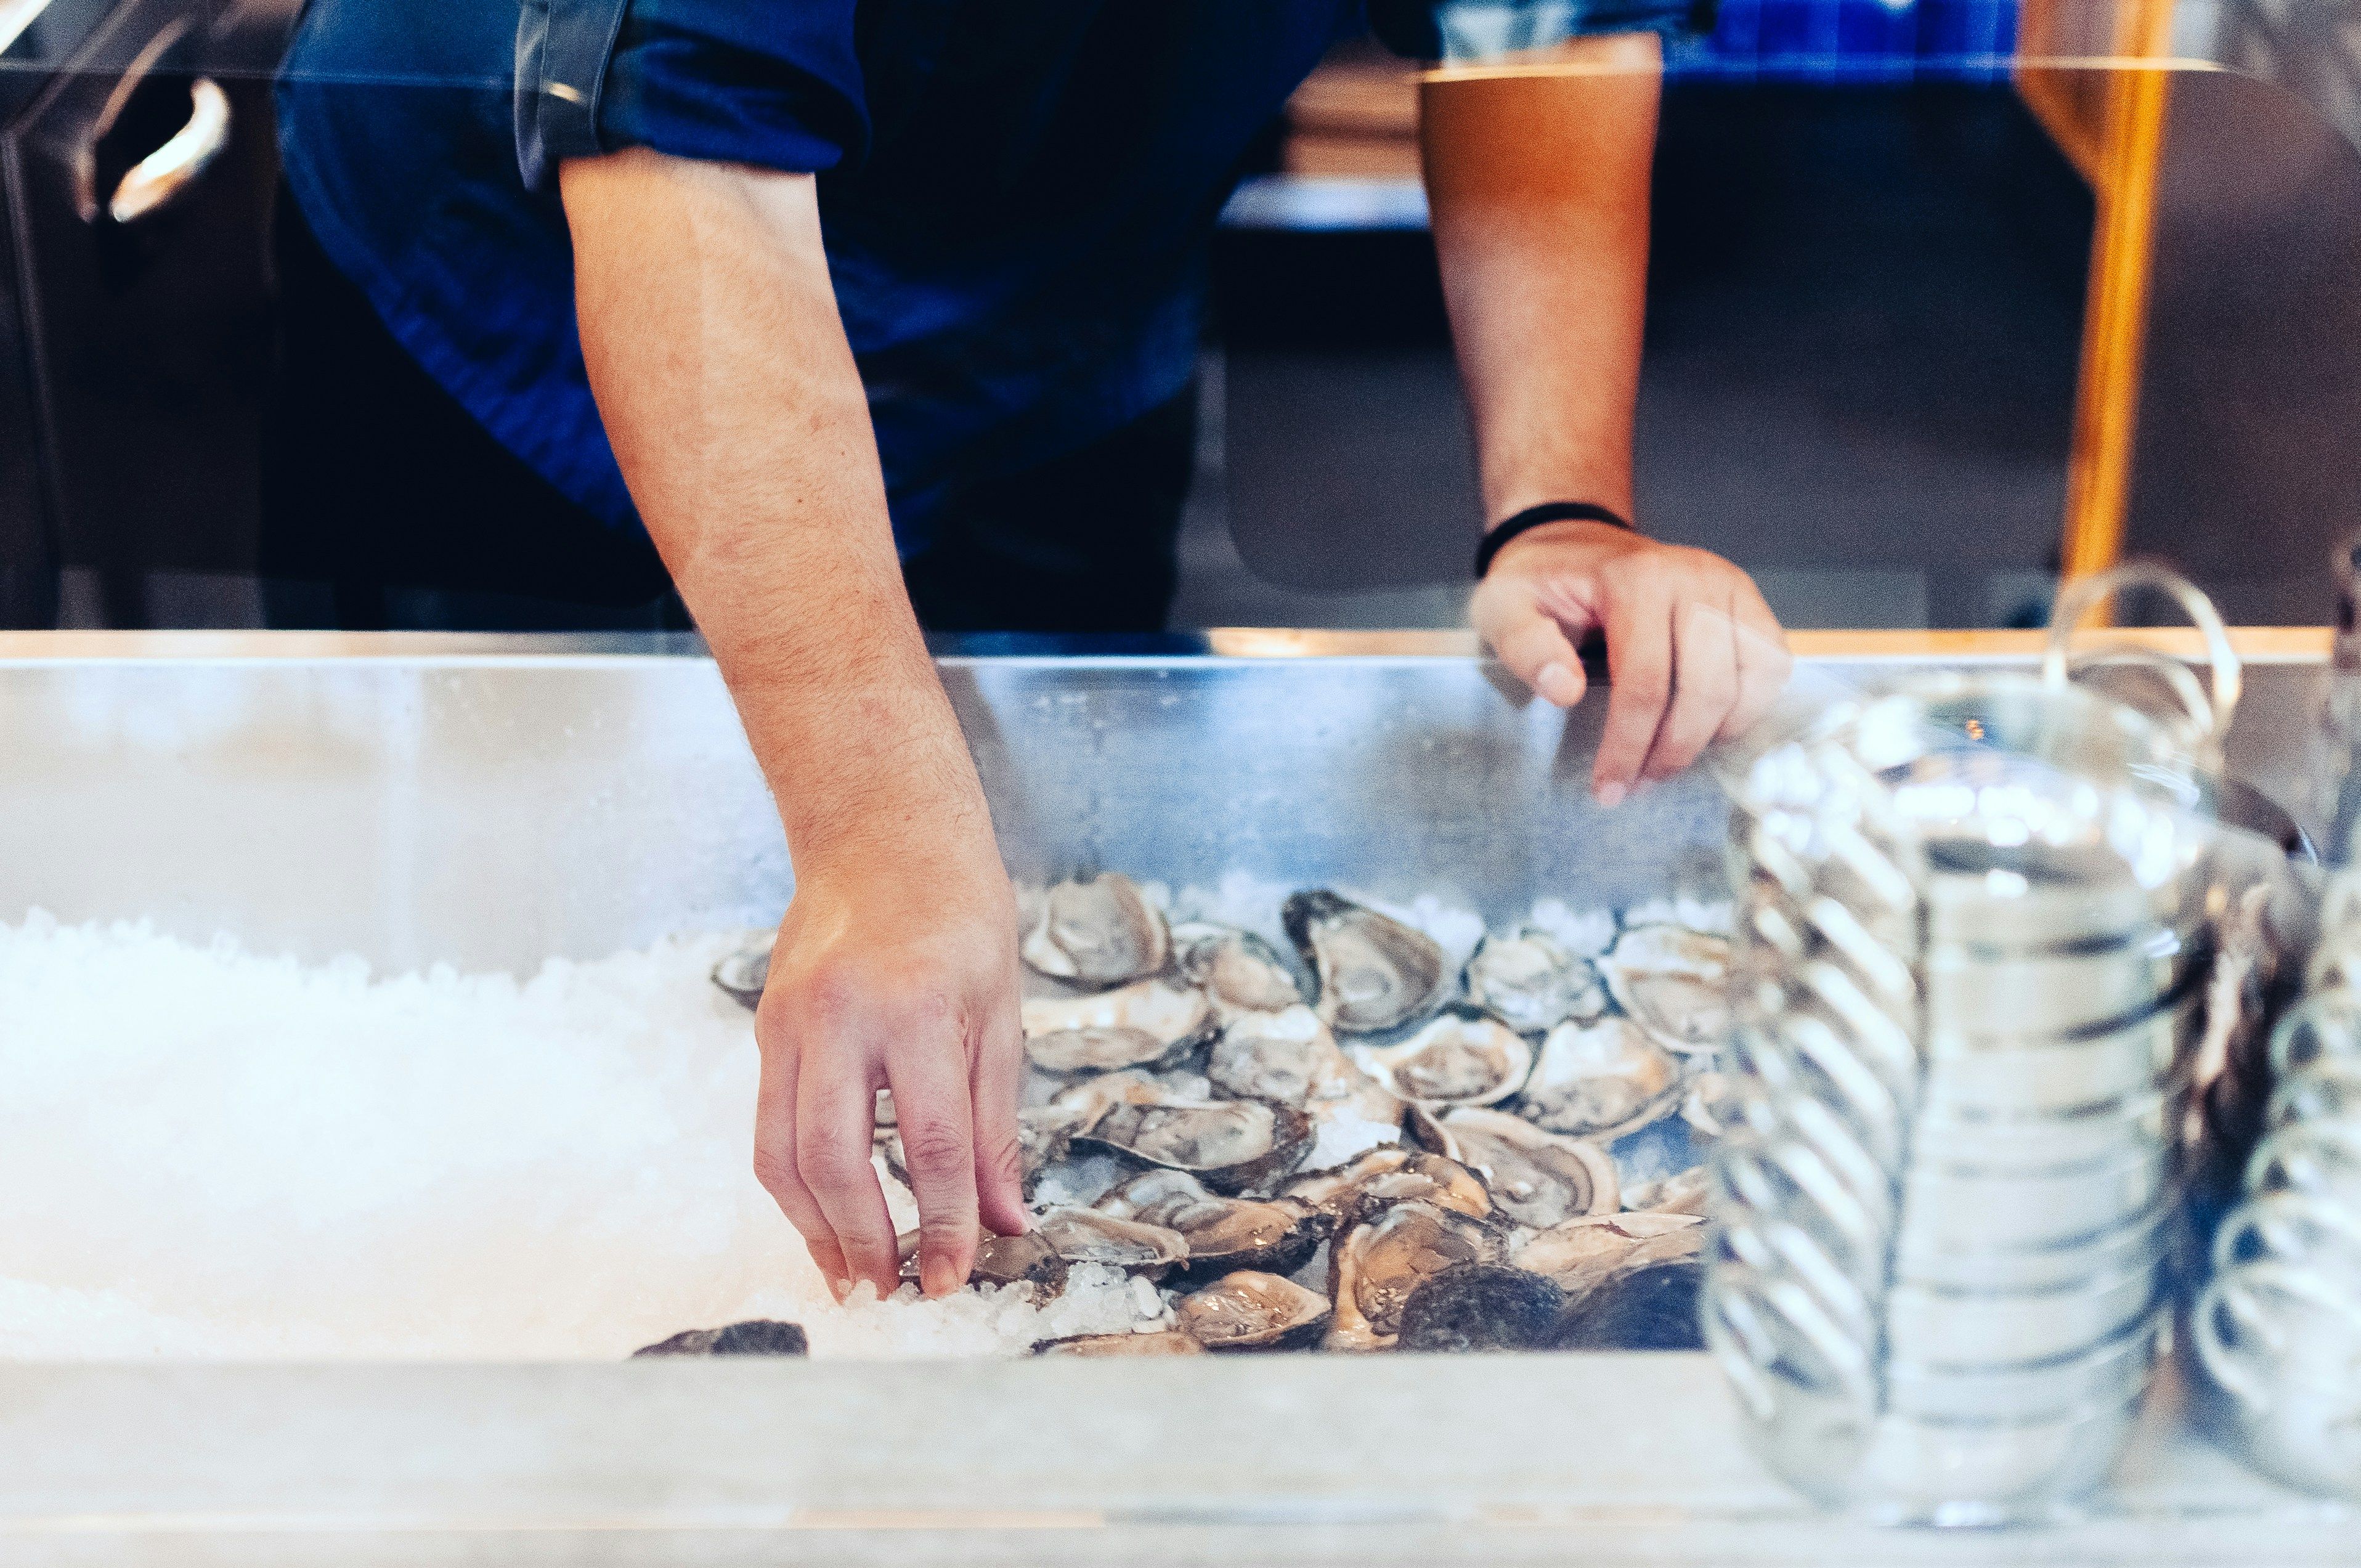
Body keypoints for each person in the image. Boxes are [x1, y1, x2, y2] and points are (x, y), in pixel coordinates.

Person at [270, 1, 1789, 1304]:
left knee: (1035, 924)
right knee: (484, 1020)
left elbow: (1540, 27)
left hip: (1047, 308)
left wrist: (1560, 504)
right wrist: (876, 834)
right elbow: (693, 154)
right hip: (515, 289)